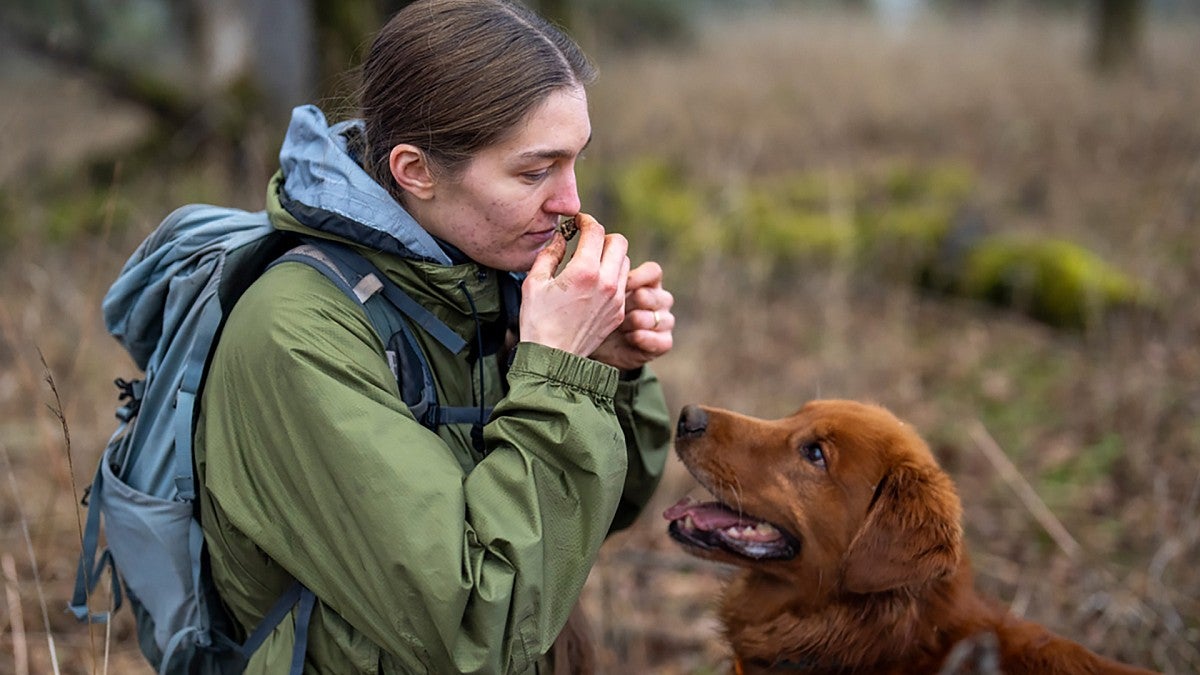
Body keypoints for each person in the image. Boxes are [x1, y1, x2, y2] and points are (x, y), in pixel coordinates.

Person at [192, 0, 675, 673]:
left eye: (574, 162)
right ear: (415, 171)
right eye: (535, 172)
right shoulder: (298, 336)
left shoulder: (482, 274)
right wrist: (558, 374)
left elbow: (595, 521)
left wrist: (607, 371)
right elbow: (478, 625)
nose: (570, 202)